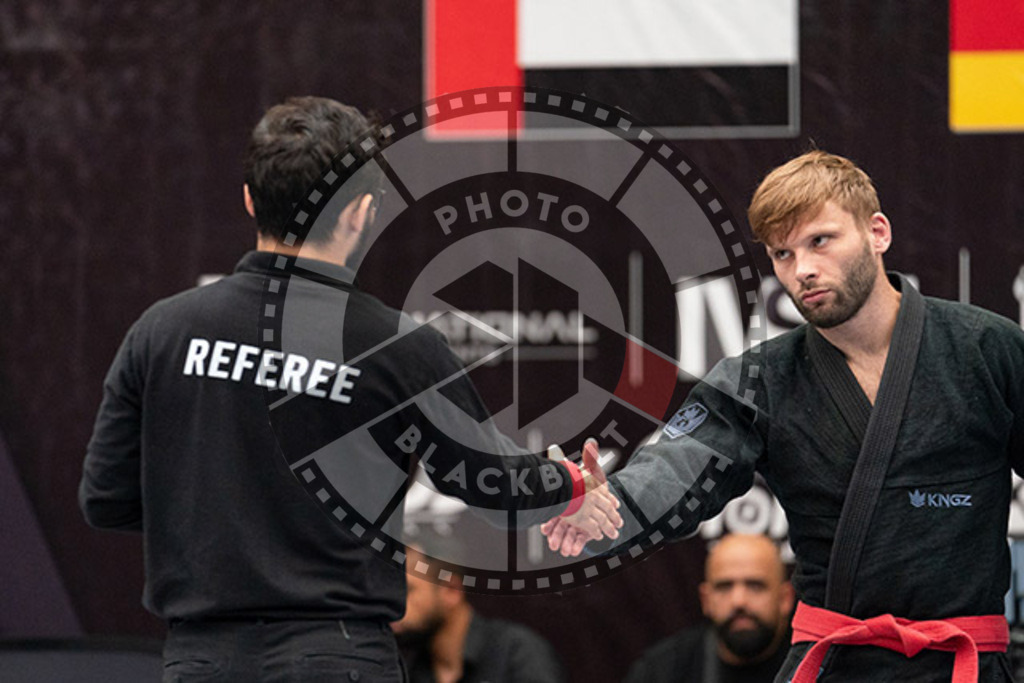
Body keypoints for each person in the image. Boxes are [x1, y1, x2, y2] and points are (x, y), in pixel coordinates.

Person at [79, 96, 620, 682]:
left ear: (249, 198)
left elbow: (106, 499)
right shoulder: (395, 345)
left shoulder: (162, 330)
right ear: (361, 211)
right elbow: (493, 487)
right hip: (336, 657)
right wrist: (569, 485)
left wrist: (216, 515)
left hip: (202, 660)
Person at [544, 150, 1024, 681]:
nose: (803, 270)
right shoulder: (762, 379)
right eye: (782, 254)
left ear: (877, 232)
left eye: (820, 241)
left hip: (964, 664)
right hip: (835, 665)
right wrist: (611, 503)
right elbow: (680, 467)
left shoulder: (986, 350)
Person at [623, 534, 793, 683]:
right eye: (724, 587)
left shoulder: (814, 666)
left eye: (755, 586)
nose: (738, 601)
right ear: (706, 600)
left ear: (785, 598)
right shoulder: (661, 672)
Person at [392, 545, 565, 683]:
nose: (394, 605)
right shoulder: (407, 669)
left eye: (408, 590)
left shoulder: (516, 653)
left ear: (451, 590)